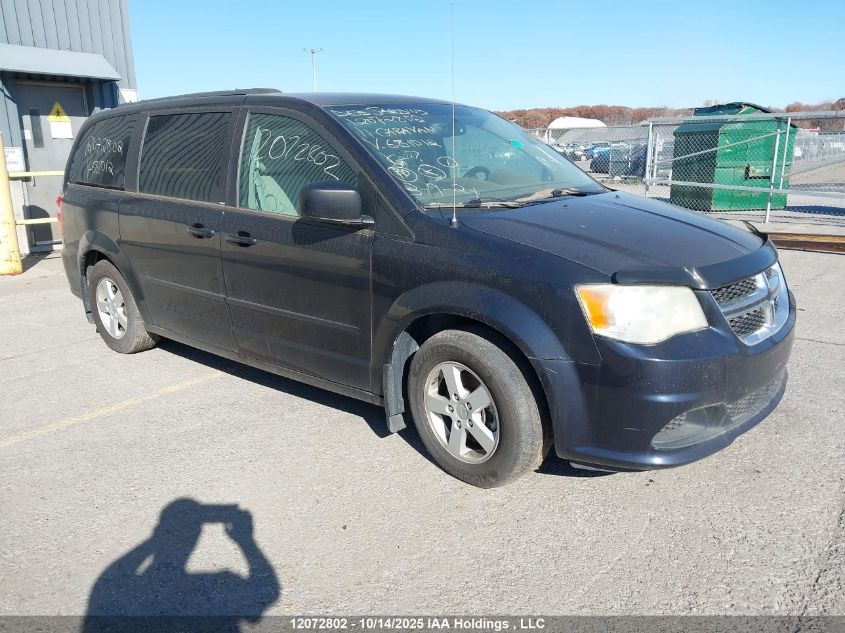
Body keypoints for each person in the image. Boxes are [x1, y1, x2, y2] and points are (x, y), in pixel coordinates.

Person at [83, 498, 279, 633]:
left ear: (160, 529)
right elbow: (266, 593)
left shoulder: (121, 589)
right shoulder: (221, 582)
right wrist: (246, 541)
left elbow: (112, 578)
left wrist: (156, 539)